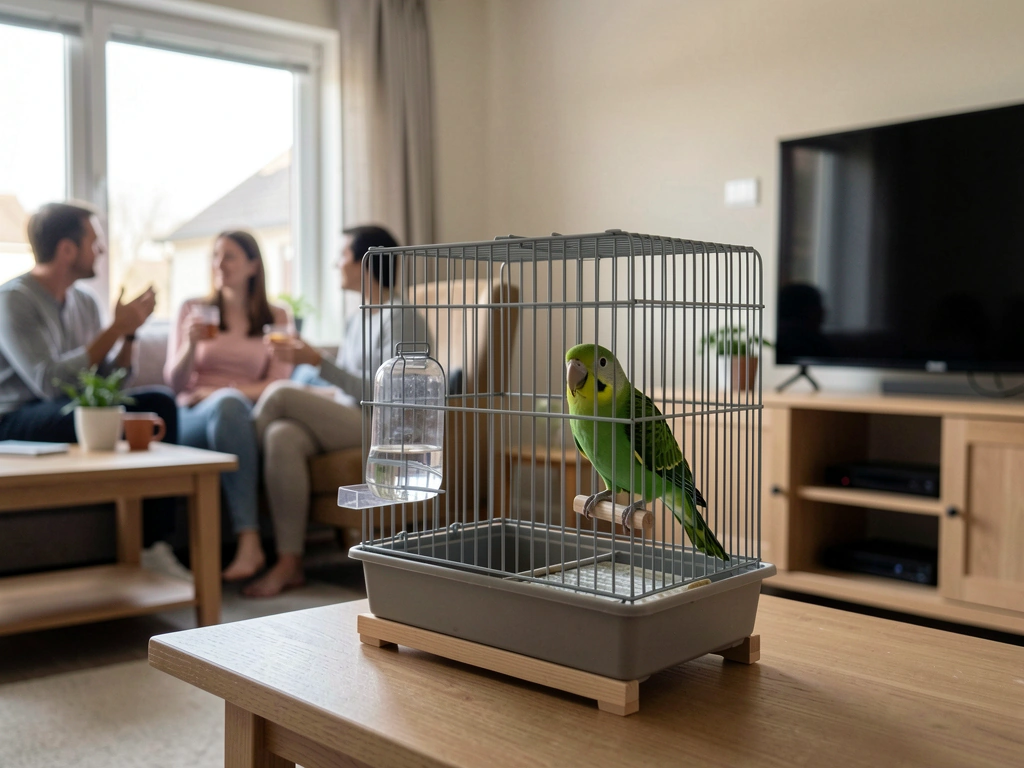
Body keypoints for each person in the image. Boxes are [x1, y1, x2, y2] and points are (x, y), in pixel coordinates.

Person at [246, 225, 429, 597]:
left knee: (279, 394)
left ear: (368, 262)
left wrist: (316, 360)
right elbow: (346, 387)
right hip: (352, 416)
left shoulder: (401, 317)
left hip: (386, 426)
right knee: (282, 436)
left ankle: (240, 491)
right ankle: (289, 562)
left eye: (343, 256)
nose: (336, 264)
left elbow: (387, 394)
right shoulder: (357, 318)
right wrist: (314, 386)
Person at [164, 231, 293, 581]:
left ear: (253, 265)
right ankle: (250, 540)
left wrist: (221, 392)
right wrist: (190, 346)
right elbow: (174, 383)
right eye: (216, 256)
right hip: (192, 414)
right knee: (227, 406)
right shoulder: (192, 309)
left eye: (230, 256)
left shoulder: (277, 316)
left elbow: (277, 384)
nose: (219, 264)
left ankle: (249, 545)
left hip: (238, 414)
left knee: (230, 406)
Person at [0, 201, 177, 445]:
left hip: (75, 407)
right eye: (94, 243)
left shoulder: (86, 302)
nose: (101, 250)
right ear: (67, 249)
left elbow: (109, 382)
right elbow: (50, 384)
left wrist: (129, 334)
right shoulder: (12, 300)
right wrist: (115, 329)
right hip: (16, 416)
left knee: (160, 403)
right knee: (84, 417)